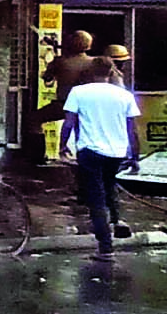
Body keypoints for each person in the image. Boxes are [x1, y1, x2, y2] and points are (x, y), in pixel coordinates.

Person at [60, 57, 140, 262]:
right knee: (109, 184)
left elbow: (69, 122)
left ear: (89, 71)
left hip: (90, 150)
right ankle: (117, 219)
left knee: (95, 197)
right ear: (111, 72)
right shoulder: (124, 95)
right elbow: (133, 129)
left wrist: (62, 146)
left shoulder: (79, 92)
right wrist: (135, 156)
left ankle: (105, 247)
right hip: (117, 152)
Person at [37, 30, 98, 124]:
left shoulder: (60, 61)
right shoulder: (95, 62)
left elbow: (47, 78)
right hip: (89, 105)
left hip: (65, 104)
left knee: (33, 119)